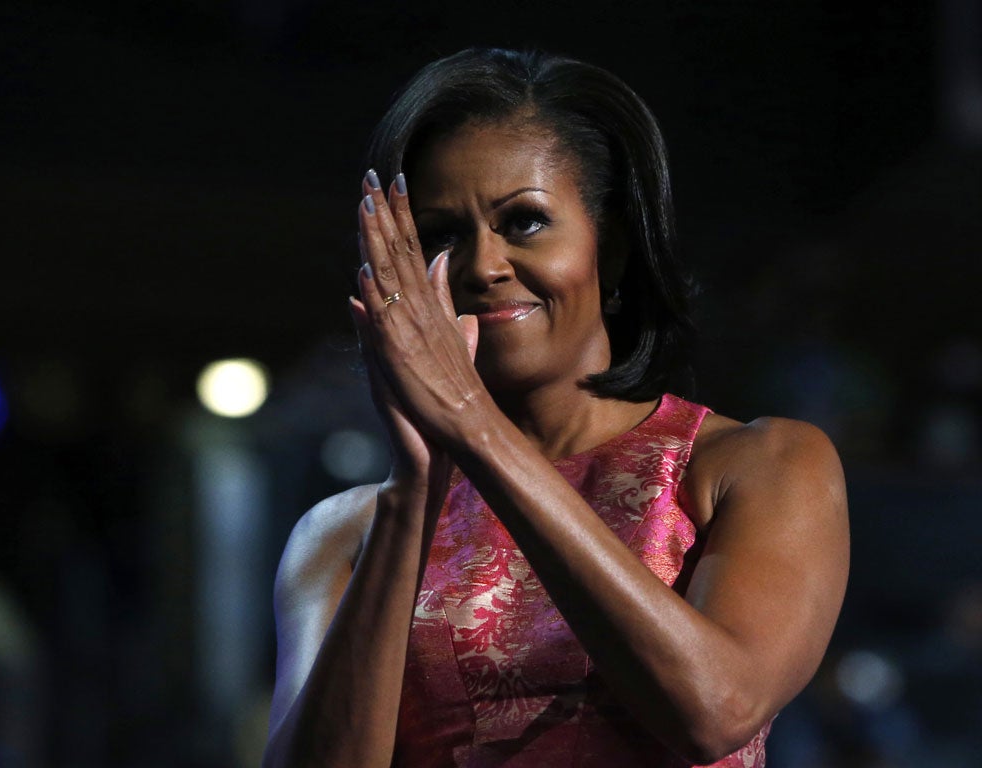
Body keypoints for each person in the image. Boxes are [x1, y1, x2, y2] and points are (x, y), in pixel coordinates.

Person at [263, 48, 849, 768]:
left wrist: (472, 424)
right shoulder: (344, 533)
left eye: (525, 222)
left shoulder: (758, 465)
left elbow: (714, 710)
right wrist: (414, 491)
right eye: (443, 236)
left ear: (615, 243)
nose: (482, 266)